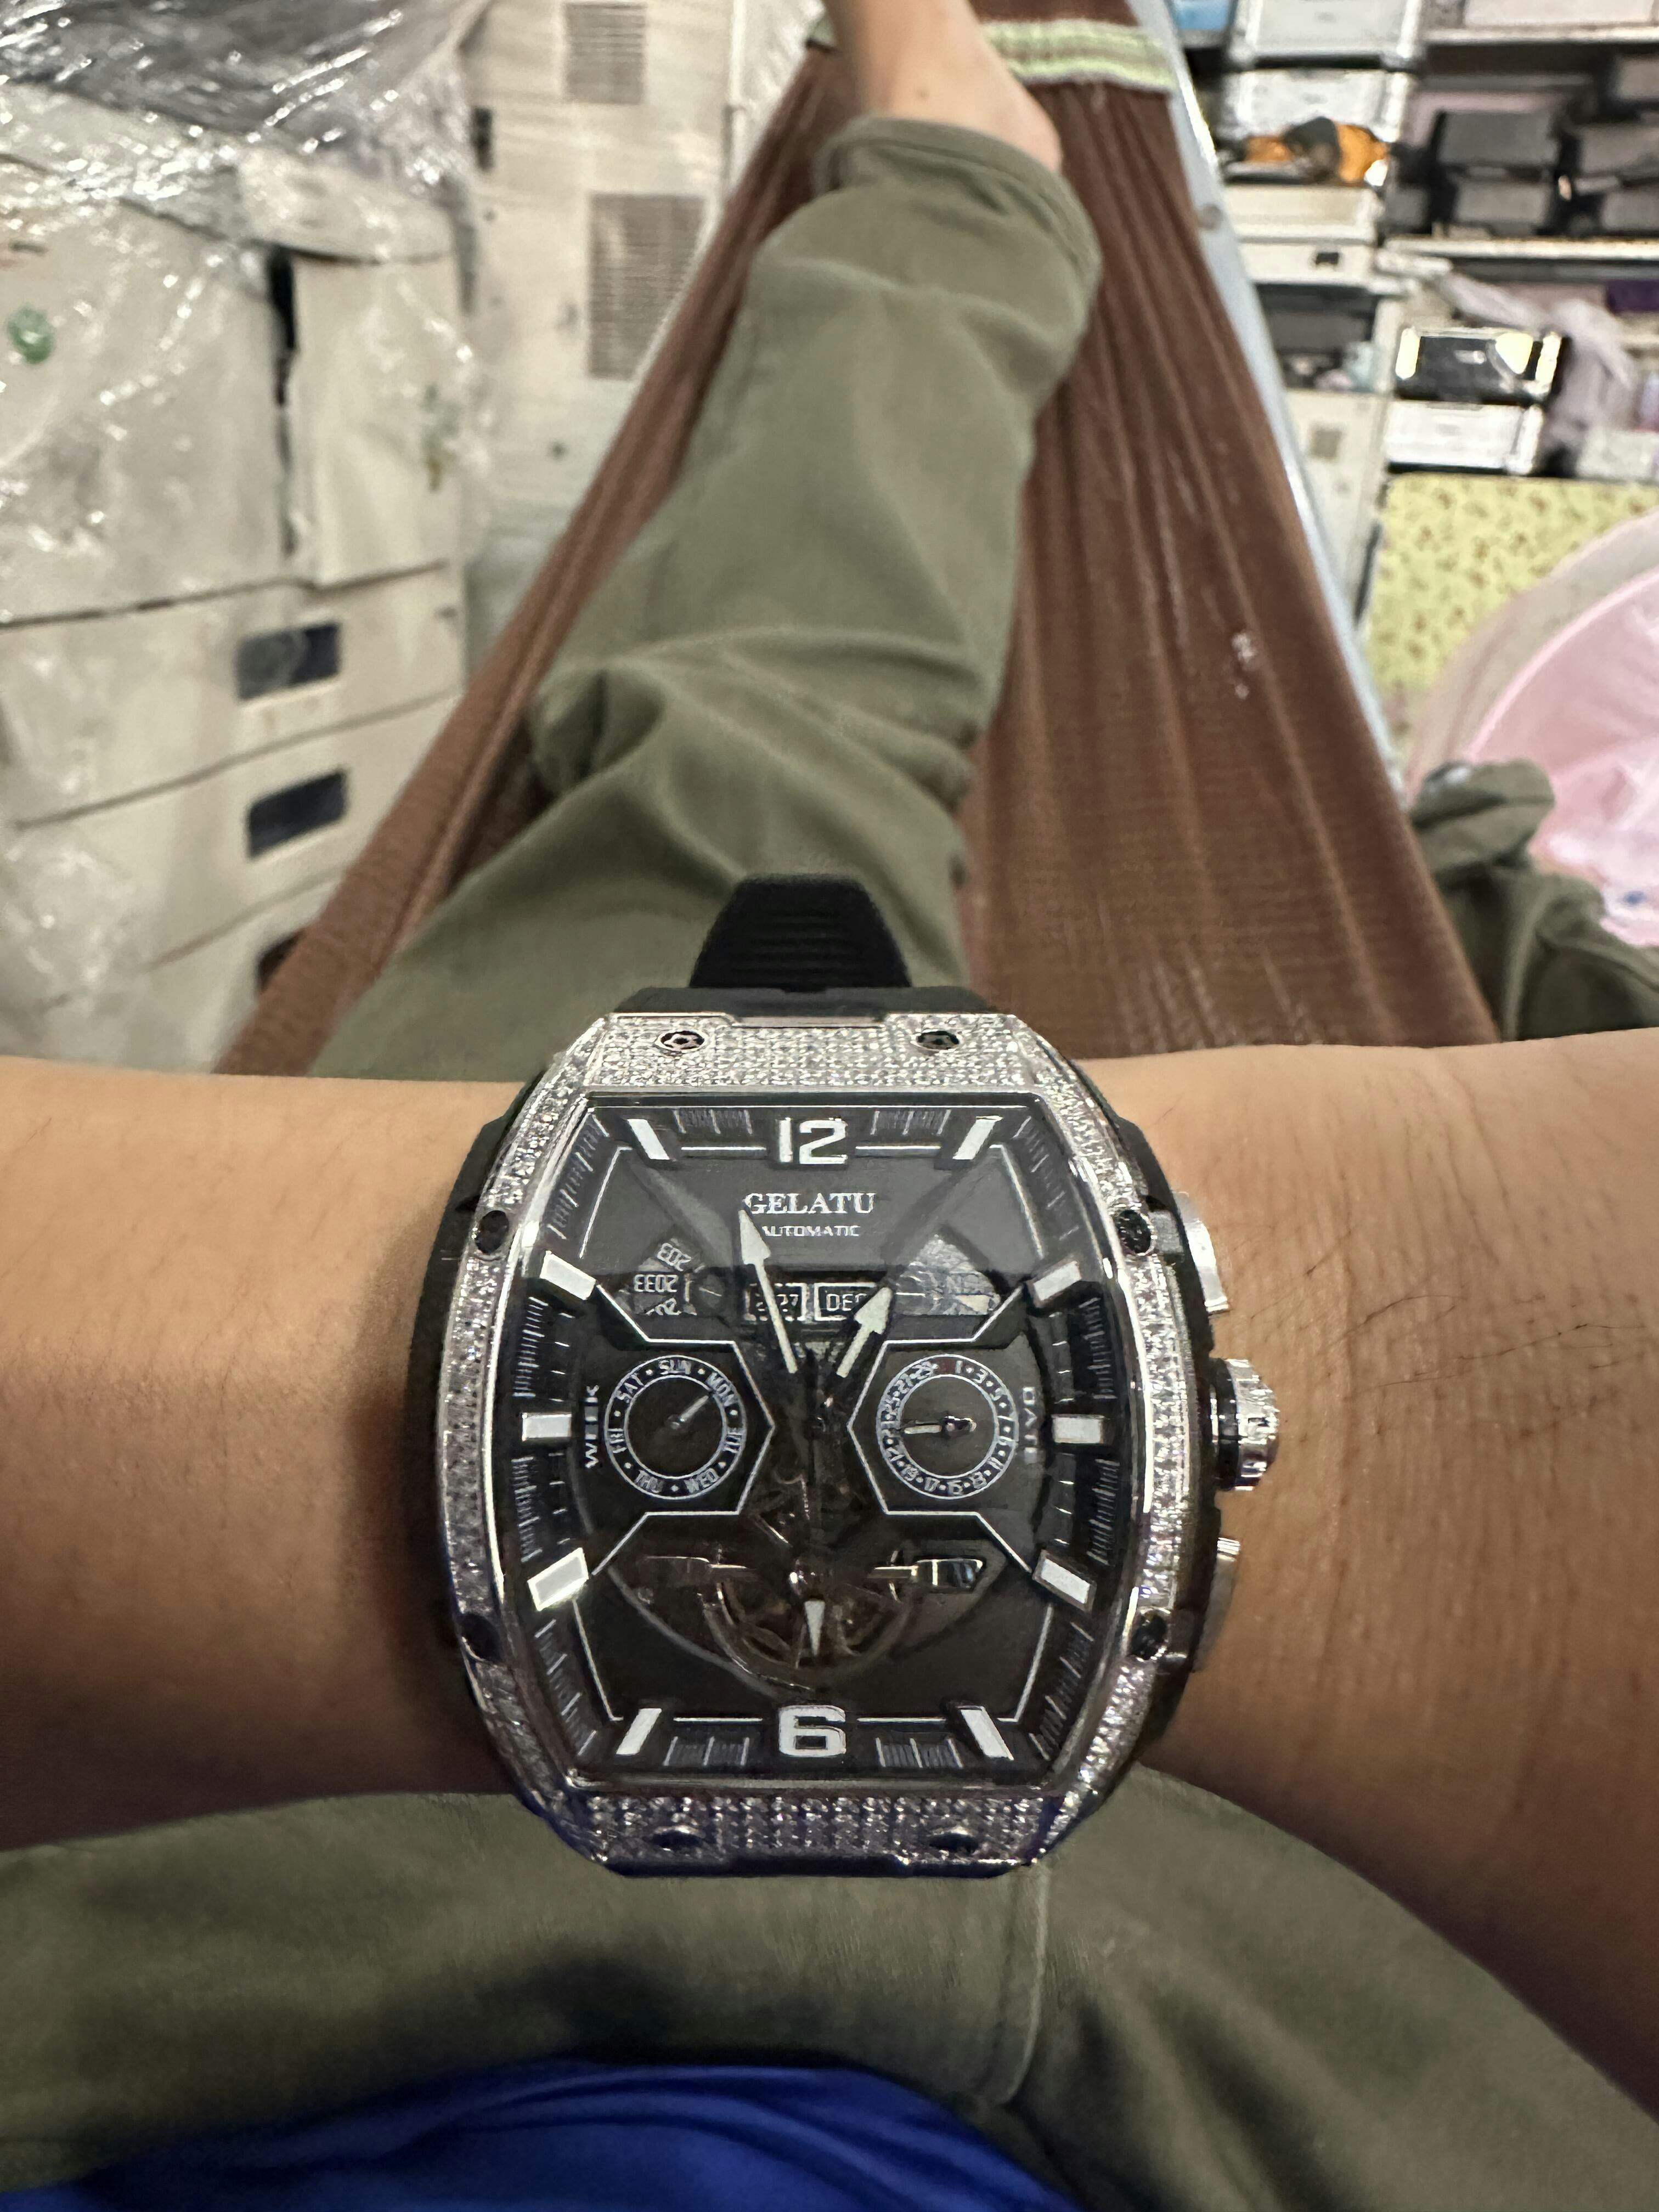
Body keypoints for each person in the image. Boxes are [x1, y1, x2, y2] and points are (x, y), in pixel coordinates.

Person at [1, 2, 1656, 2205]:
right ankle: (969, 213)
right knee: (767, 753)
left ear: (1216, 1431)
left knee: (749, 756)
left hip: (208, 1968)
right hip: (1317, 2034)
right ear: (1221, 1431)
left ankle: (959, 198)